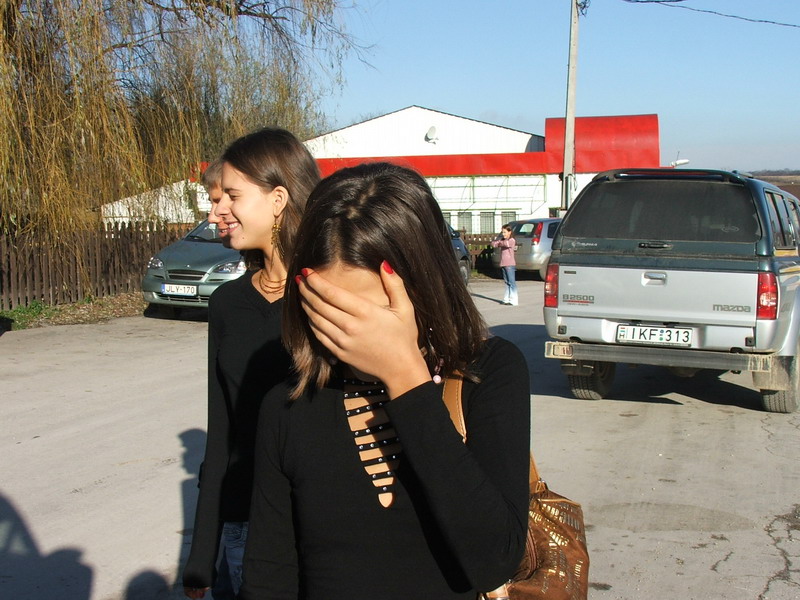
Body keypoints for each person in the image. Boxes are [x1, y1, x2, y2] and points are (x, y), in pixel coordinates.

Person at [239, 162, 531, 599]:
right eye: (332, 312)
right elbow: (268, 578)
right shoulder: (288, 407)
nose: (353, 335)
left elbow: (496, 558)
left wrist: (405, 376)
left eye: (371, 314)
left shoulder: (488, 372)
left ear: (425, 287)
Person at [182, 128, 321, 600]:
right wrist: (203, 552)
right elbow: (222, 429)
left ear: (278, 199)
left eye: (232, 196)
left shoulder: (329, 294)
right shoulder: (227, 304)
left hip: (316, 531)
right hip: (242, 530)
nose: (216, 211)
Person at [491, 224, 518, 306]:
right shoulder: (503, 240)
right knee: (506, 282)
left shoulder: (512, 240)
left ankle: (514, 300)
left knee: (511, 282)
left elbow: (506, 244)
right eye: (502, 232)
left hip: (510, 264)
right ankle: (506, 299)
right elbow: (493, 244)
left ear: (510, 232)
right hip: (503, 264)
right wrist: (498, 242)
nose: (503, 234)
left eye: (505, 232)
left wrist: (499, 242)